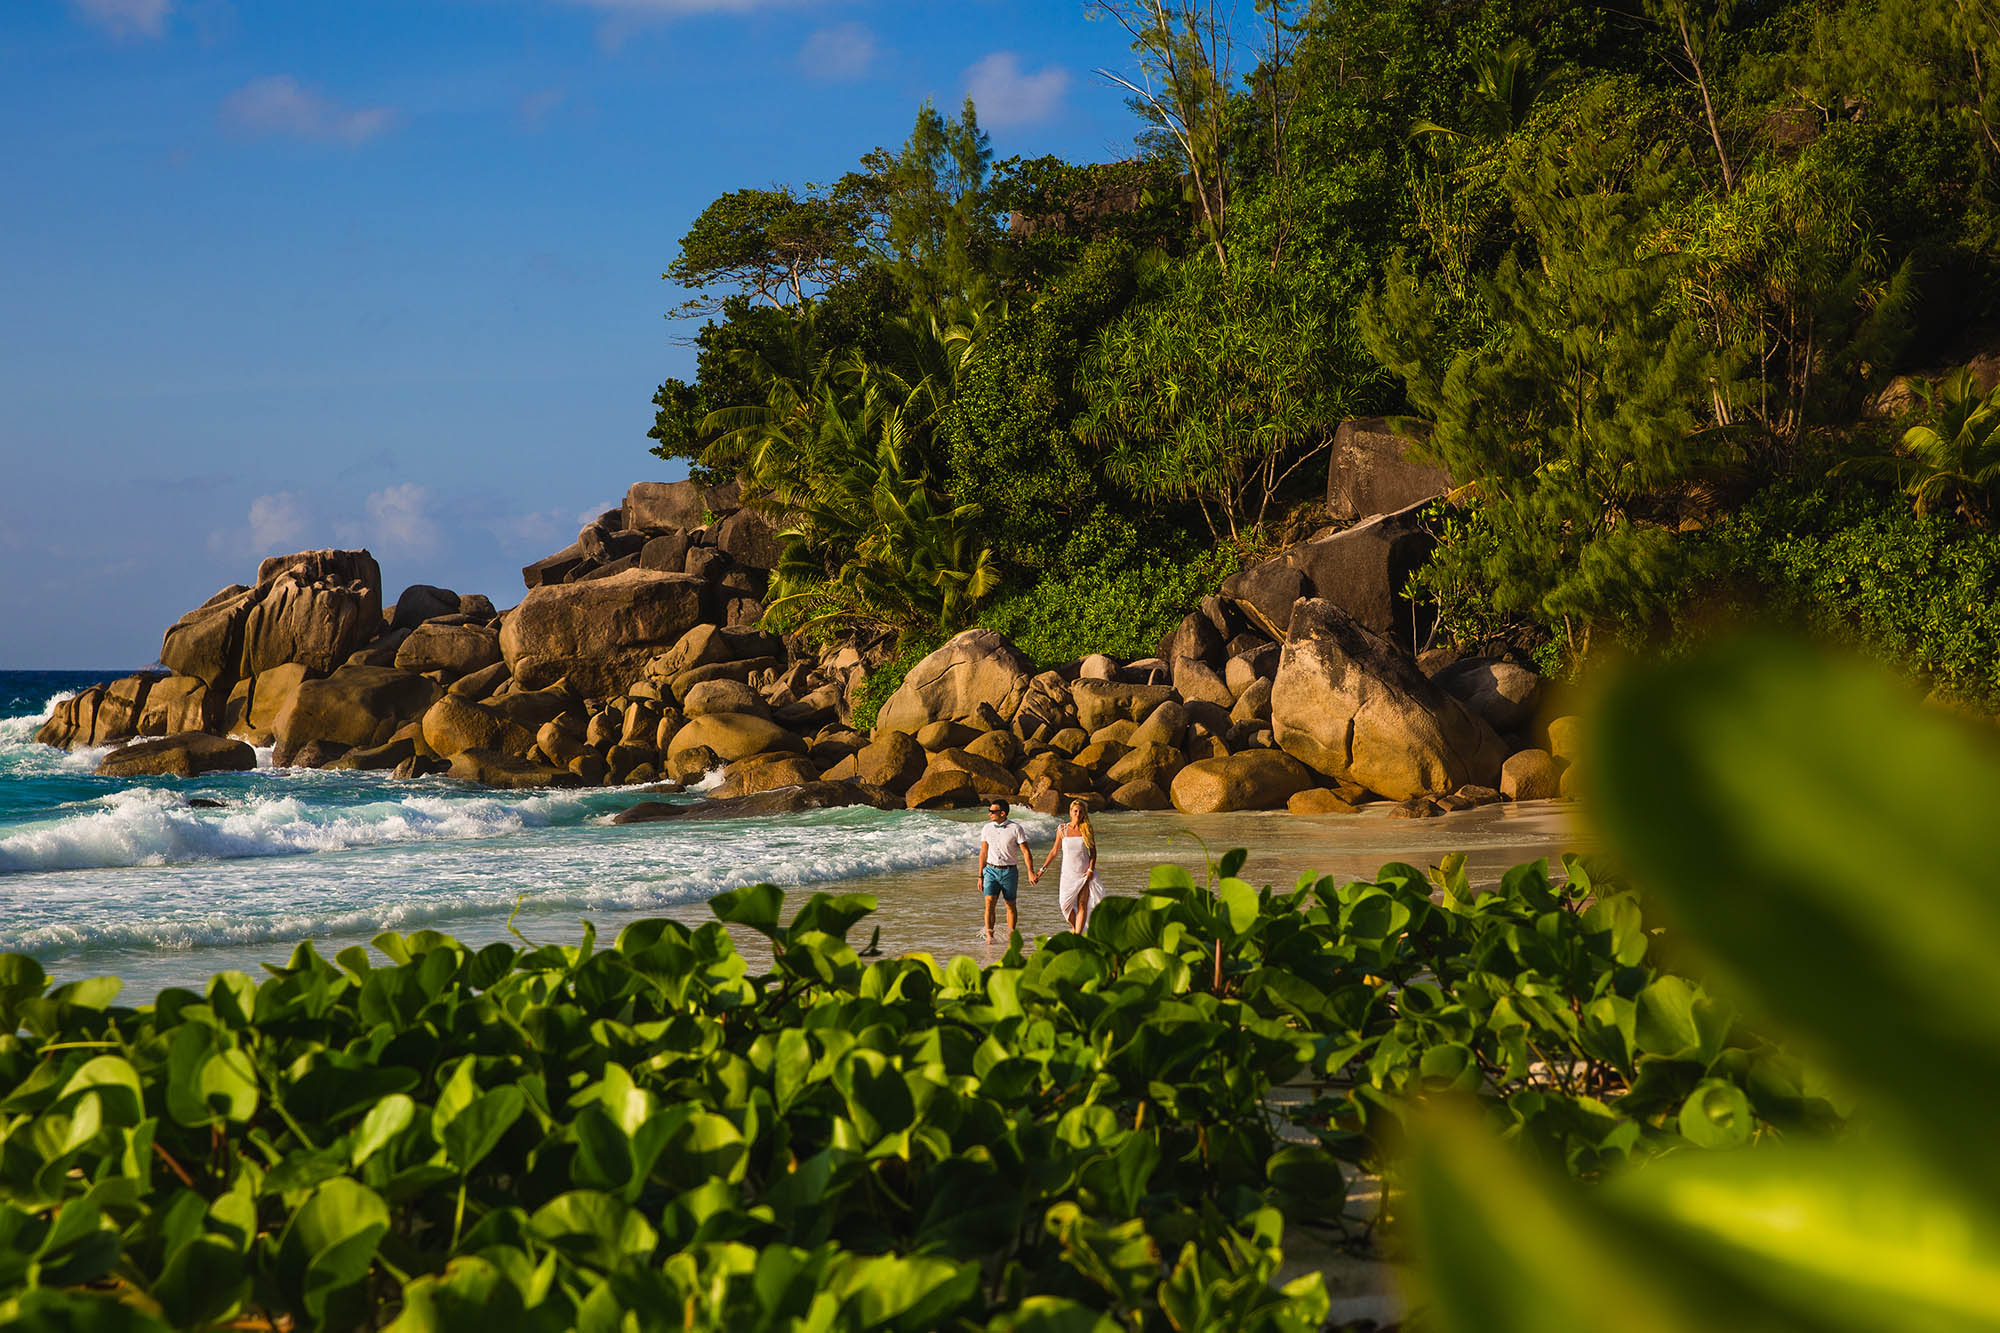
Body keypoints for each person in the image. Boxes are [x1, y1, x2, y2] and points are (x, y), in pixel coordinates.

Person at [1039, 797, 1107, 934]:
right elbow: (1054, 852)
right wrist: (1042, 870)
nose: (1078, 814)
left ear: (1083, 814)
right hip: (1068, 874)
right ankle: (1078, 930)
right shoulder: (1062, 829)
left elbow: (1093, 853)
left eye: (1081, 812)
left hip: (1084, 872)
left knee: (1082, 905)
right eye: (1075, 811)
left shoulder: (1086, 830)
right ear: (1070, 812)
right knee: (1064, 905)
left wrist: (1090, 870)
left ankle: (1077, 936)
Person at [977, 799, 1037, 940]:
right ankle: (989, 937)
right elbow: (983, 853)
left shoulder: (1016, 828)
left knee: (1010, 904)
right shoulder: (986, 828)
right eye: (989, 811)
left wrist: (1030, 872)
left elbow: (1026, 852)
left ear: (1002, 813)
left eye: (992, 811)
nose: (989, 814)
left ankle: (1011, 936)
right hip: (990, 870)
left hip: (1009, 871)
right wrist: (980, 875)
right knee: (989, 902)